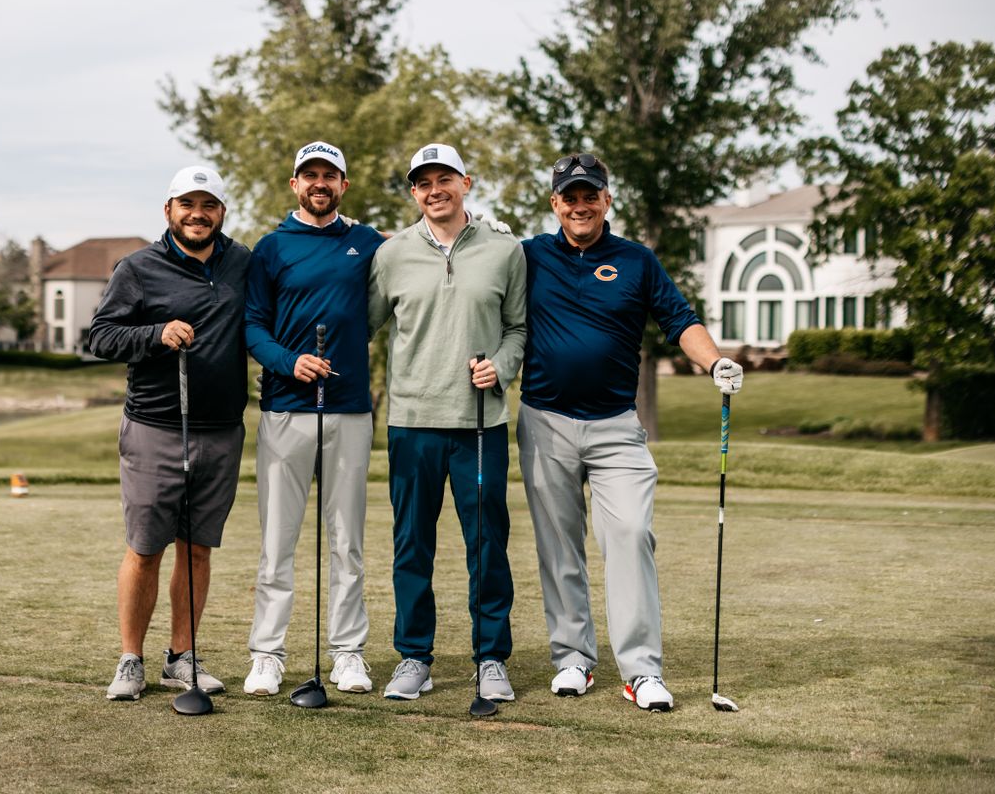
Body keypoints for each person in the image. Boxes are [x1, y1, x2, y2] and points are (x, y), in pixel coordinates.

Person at [517, 153, 743, 711]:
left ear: (607, 200)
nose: (580, 205)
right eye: (570, 197)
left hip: (616, 425)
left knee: (631, 533)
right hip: (544, 422)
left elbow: (680, 320)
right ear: (555, 204)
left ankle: (641, 670)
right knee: (559, 545)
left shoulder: (636, 260)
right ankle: (573, 658)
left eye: (589, 195)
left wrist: (714, 362)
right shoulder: (528, 255)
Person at [368, 143, 526, 702]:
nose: (434, 190)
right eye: (423, 182)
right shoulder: (391, 255)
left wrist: (501, 366)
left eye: (445, 179)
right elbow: (360, 324)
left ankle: (491, 658)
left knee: (487, 544)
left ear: (466, 183)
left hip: (480, 423)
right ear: (414, 192)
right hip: (412, 422)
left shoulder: (506, 250)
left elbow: (518, 328)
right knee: (412, 544)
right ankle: (414, 656)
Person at [90, 166, 251, 701]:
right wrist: (156, 333)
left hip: (221, 430)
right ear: (169, 210)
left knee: (198, 549)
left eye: (208, 205)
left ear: (221, 212)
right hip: (155, 427)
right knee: (145, 549)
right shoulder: (138, 268)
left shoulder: (242, 262)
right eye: (187, 204)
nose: (197, 214)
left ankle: (181, 658)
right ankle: (130, 660)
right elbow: (102, 337)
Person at [241, 141, 385, 696]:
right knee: (277, 542)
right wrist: (288, 361)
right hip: (286, 409)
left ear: (343, 185)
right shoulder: (271, 248)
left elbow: (417, 260)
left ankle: (348, 652)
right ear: (295, 184)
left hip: (348, 410)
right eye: (310, 175)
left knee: (347, 541)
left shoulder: (367, 242)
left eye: (330, 175)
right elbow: (253, 327)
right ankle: (267, 654)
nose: (319, 183)